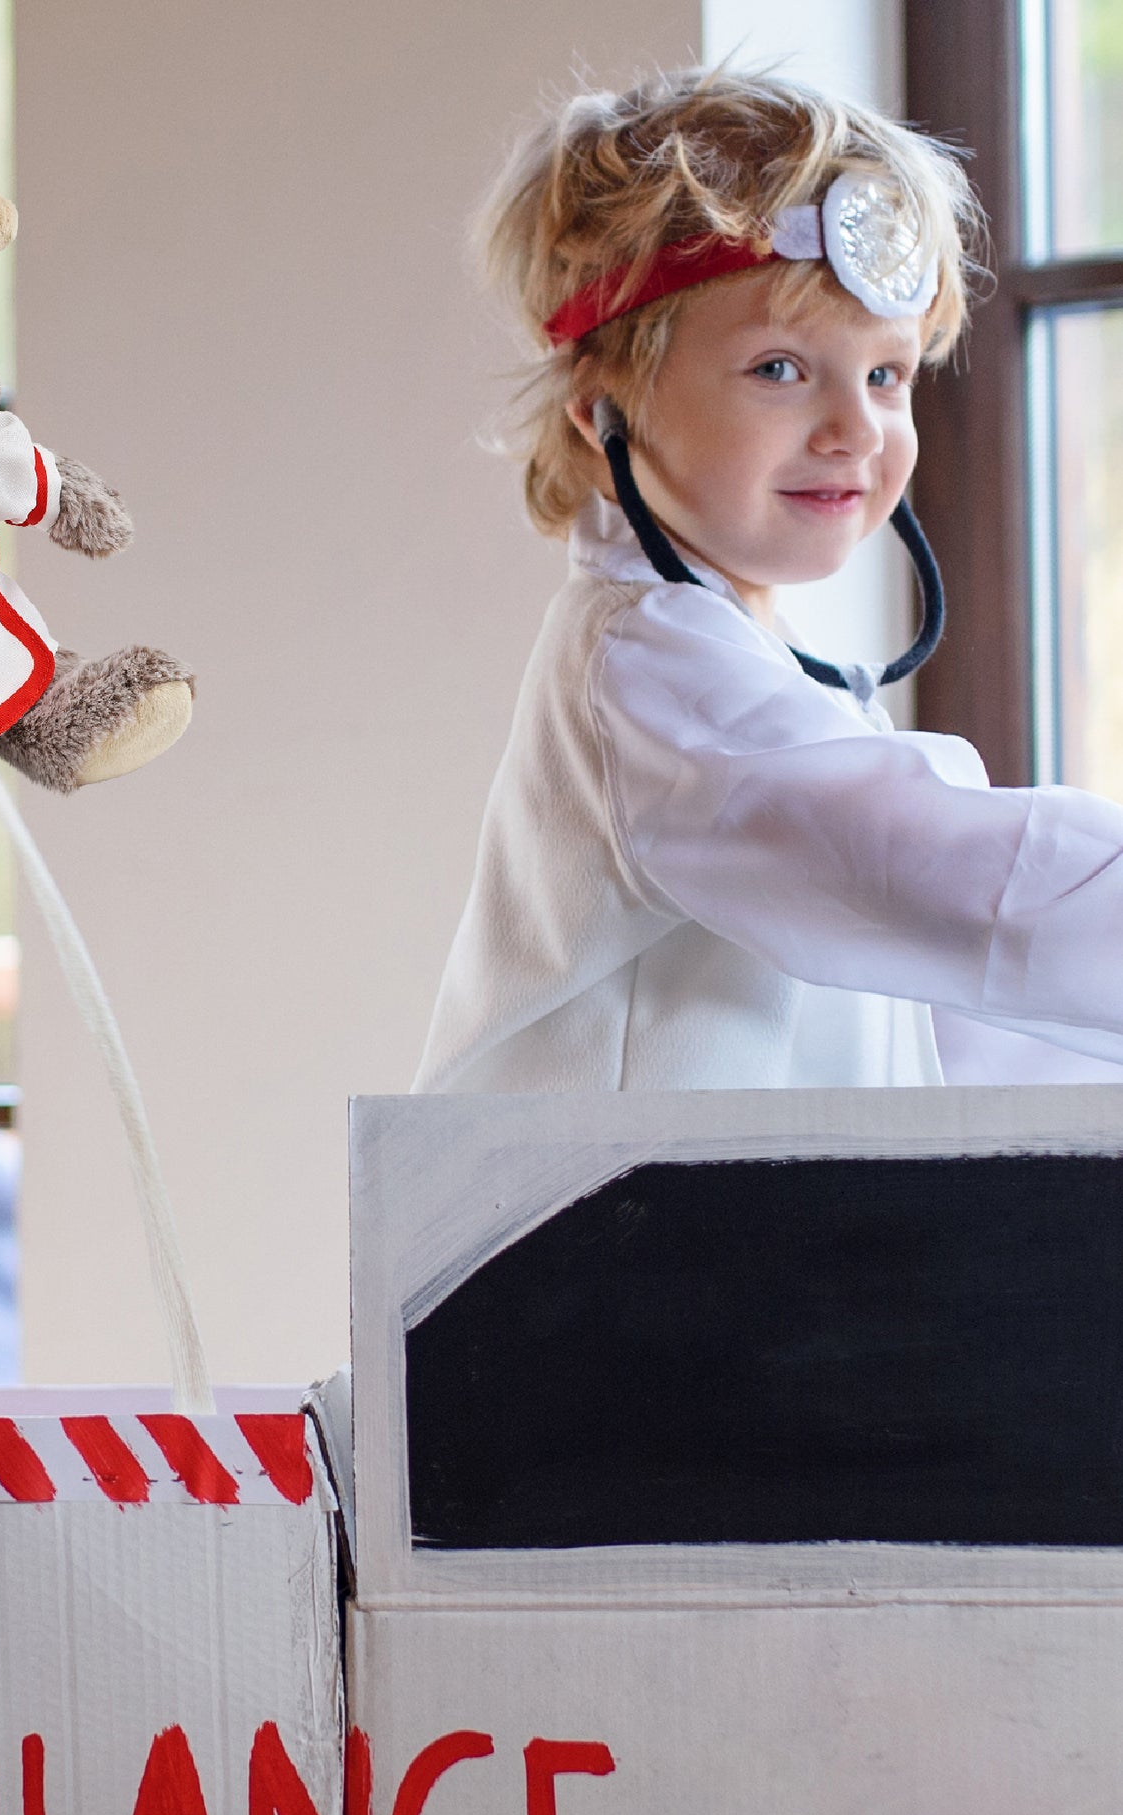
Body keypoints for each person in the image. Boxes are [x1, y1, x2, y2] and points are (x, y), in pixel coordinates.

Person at [415, 68, 1123, 1094]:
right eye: (779, 369)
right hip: (587, 1204)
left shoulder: (756, 669)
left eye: (884, 375)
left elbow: (942, 1017)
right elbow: (937, 874)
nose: (854, 429)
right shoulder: (648, 668)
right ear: (604, 406)